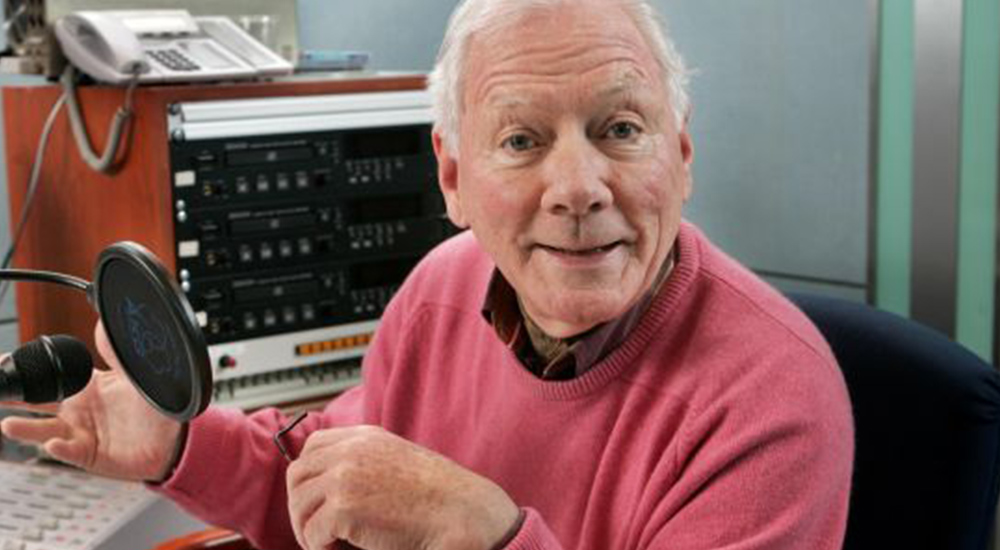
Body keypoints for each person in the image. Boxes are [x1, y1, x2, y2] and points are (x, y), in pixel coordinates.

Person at [0, 0, 854, 548]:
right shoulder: (443, 288)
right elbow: (329, 490)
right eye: (521, 141)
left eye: (621, 129)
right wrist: (180, 441)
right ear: (451, 178)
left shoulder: (775, 402)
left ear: (681, 152)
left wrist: (488, 534)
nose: (579, 189)